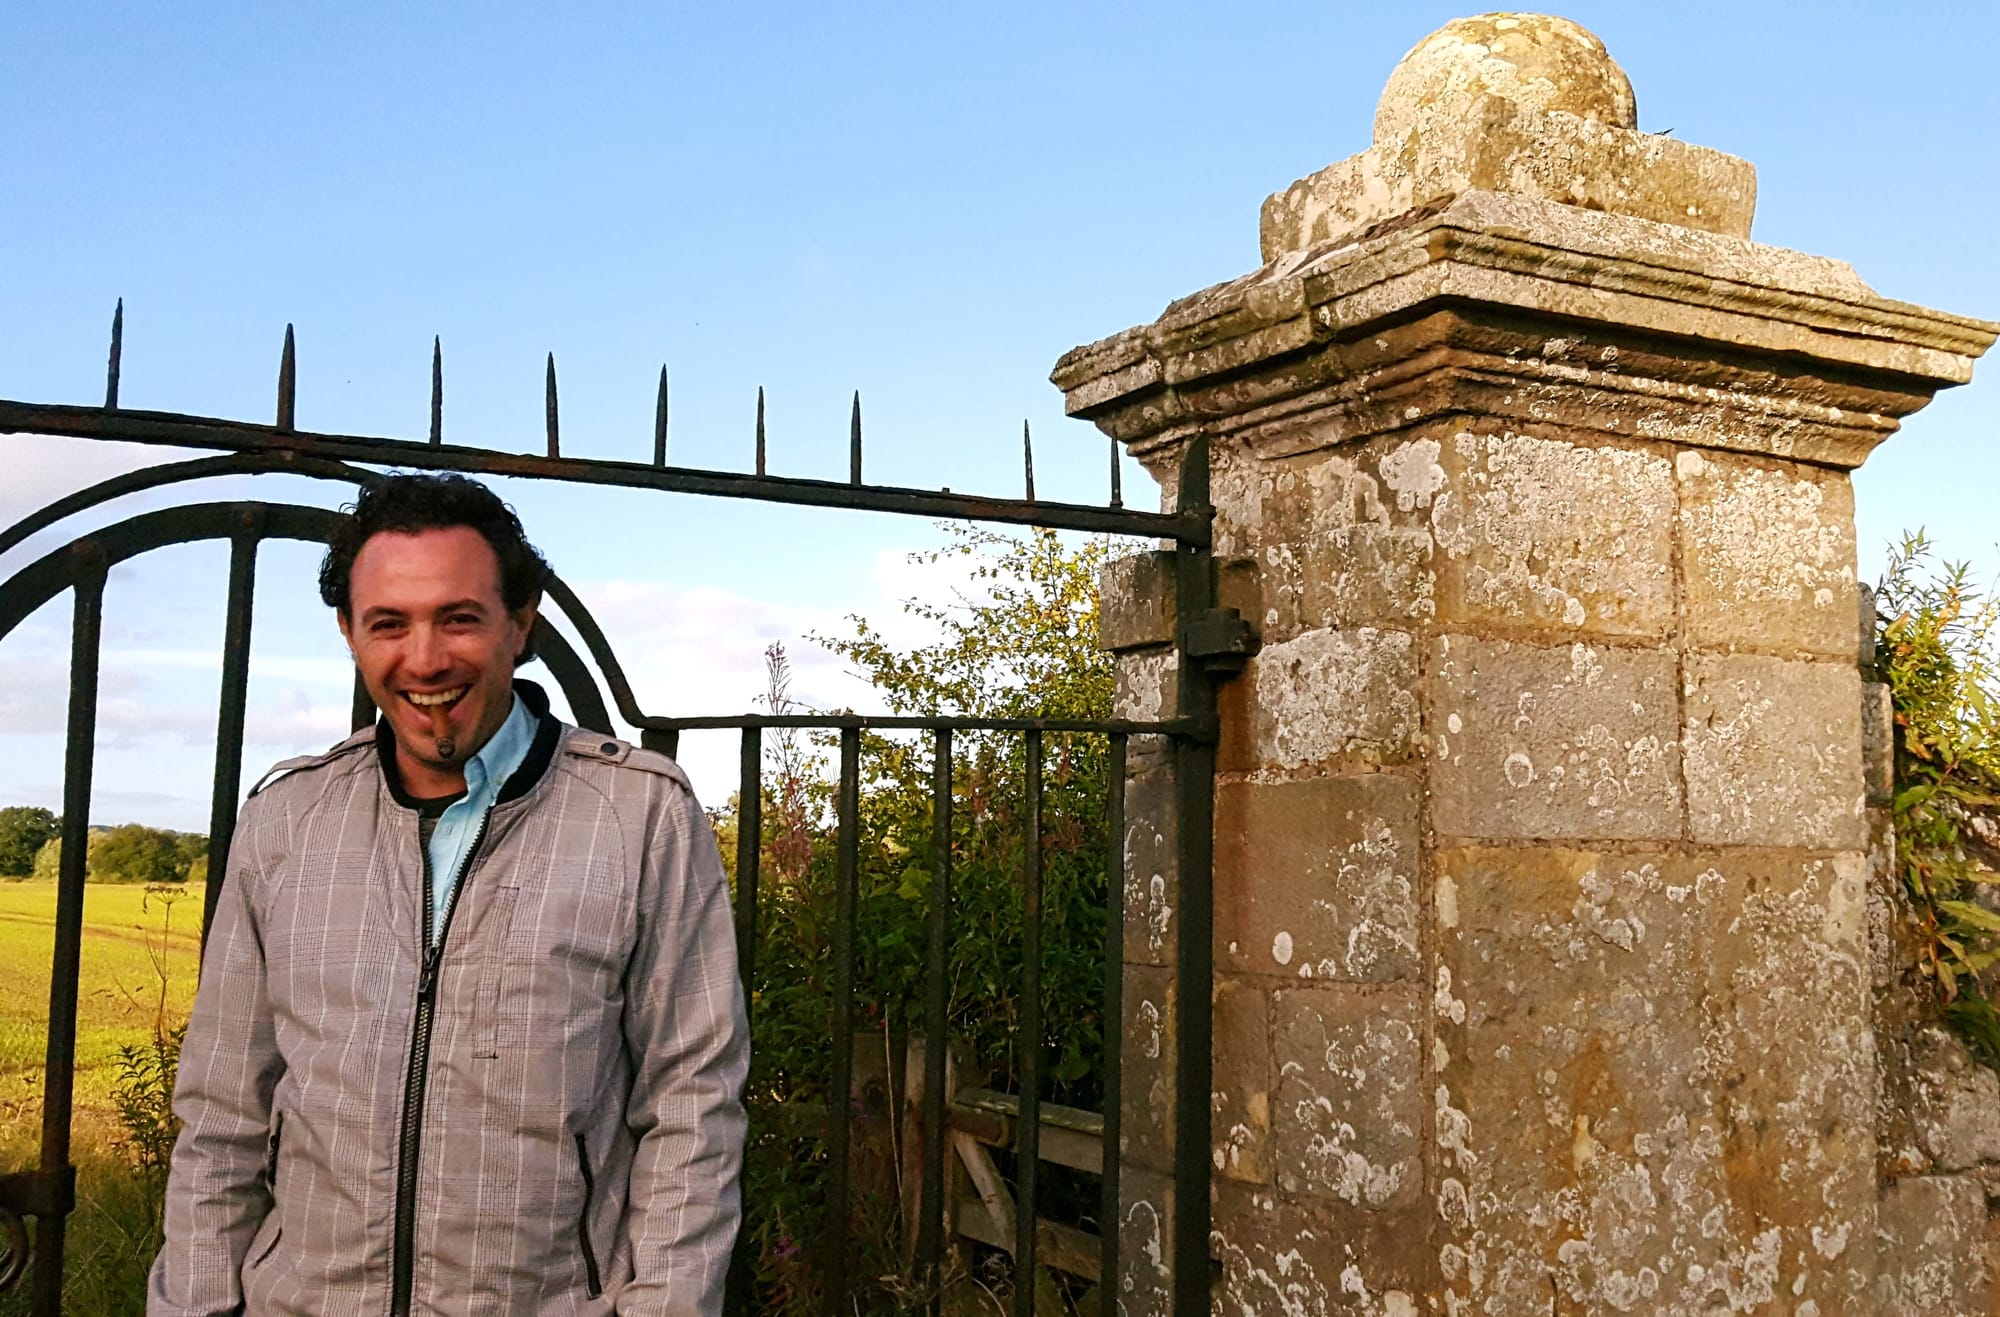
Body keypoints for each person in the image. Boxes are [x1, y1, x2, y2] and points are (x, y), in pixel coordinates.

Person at [148, 473, 747, 1315]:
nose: (424, 658)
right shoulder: (286, 819)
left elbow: (694, 1105)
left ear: (520, 622)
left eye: (458, 617)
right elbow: (221, 1119)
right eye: (389, 623)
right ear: (351, 634)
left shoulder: (640, 815)